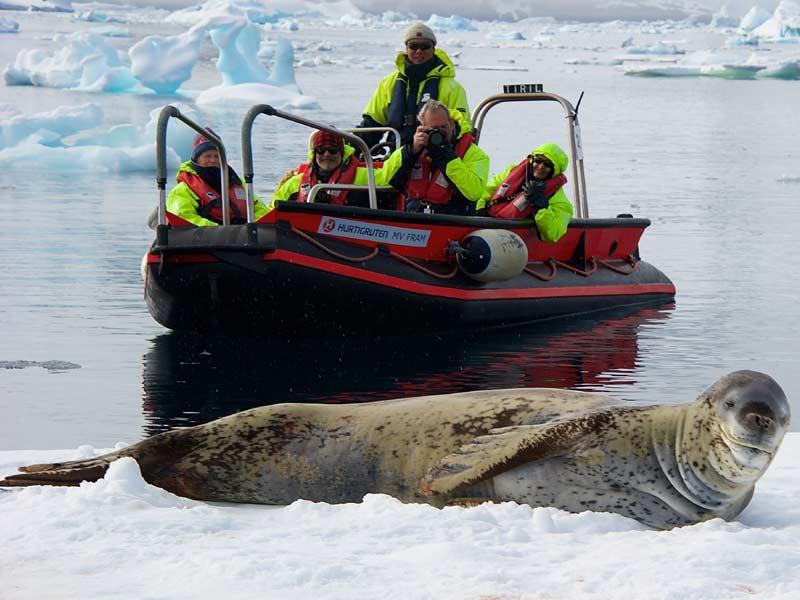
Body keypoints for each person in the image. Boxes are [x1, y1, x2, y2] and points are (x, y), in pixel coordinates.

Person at [355, 22, 469, 151]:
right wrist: (349, 149)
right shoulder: (388, 83)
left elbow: (462, 127)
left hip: (436, 157)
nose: (419, 51)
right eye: (413, 46)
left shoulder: (452, 88)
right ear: (406, 49)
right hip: (395, 157)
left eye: (425, 46)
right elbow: (371, 125)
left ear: (433, 49)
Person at [382, 99, 488, 215]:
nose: (439, 133)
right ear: (423, 127)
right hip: (414, 218)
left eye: (443, 127)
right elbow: (387, 177)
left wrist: (444, 155)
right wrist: (411, 151)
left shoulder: (473, 153)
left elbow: (474, 192)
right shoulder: (416, 148)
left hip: (451, 222)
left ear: (451, 124)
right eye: (434, 129)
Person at [166, 130, 270, 226]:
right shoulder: (183, 190)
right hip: (206, 241)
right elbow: (184, 217)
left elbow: (260, 209)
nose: (213, 160)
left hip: (243, 238)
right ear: (196, 159)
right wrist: (220, 230)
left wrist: (250, 227)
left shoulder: (238, 184)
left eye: (217, 156)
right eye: (207, 156)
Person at [272, 129, 398, 207]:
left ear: (342, 153)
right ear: (314, 154)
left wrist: (411, 149)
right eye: (321, 150)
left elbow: (392, 175)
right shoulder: (295, 183)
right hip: (305, 236)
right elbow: (272, 210)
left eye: (332, 150)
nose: (326, 155)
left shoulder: (366, 175)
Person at [476, 142, 573, 243]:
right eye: (538, 161)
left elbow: (553, 234)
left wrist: (541, 207)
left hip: (512, 241)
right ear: (532, 160)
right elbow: (485, 191)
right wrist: (478, 211)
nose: (540, 167)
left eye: (547, 164)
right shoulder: (511, 171)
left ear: (554, 171)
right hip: (486, 224)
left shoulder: (561, 202)